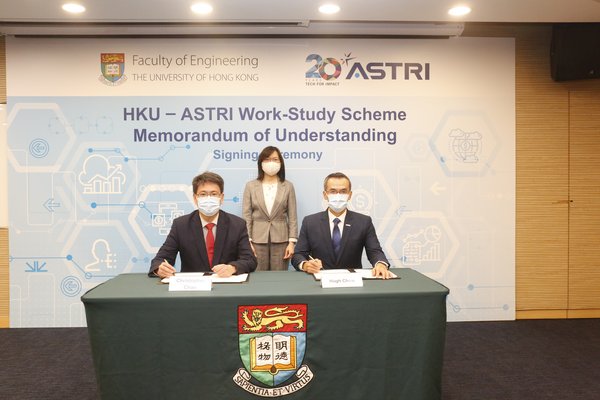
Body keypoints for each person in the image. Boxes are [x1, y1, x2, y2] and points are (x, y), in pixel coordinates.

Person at [149, 171, 257, 278]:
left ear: (222, 197)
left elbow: (250, 260)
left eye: (214, 194)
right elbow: (159, 260)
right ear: (195, 198)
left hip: (226, 286)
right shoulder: (181, 225)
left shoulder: (237, 224)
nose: (208, 198)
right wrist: (160, 269)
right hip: (192, 289)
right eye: (203, 194)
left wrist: (232, 268)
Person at [291, 172, 393, 279]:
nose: (338, 195)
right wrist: (306, 265)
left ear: (350, 195)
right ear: (325, 195)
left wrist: (380, 264)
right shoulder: (310, 222)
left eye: (343, 191)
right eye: (333, 191)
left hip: (353, 282)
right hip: (319, 282)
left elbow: (375, 251)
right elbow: (298, 255)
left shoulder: (363, 222)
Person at [242, 146, 298, 270]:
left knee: (279, 277)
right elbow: (246, 215)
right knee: (258, 276)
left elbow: (292, 216)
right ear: (261, 163)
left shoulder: (288, 186)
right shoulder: (251, 186)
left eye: (275, 159)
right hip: (257, 239)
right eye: (267, 159)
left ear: (280, 163)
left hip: (281, 240)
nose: (271, 163)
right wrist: (248, 241)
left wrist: (291, 242)